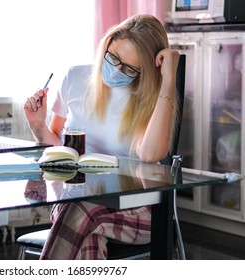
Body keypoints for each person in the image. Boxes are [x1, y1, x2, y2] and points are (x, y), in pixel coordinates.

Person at [23, 14, 180, 260]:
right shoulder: (75, 78)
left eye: (129, 68)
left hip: (139, 208)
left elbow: (150, 154)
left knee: (83, 215)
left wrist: (168, 79)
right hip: (76, 201)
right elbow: (60, 149)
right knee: (87, 233)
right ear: (107, 43)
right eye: (113, 58)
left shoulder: (147, 97)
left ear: (146, 71)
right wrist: (37, 126)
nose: (116, 70)